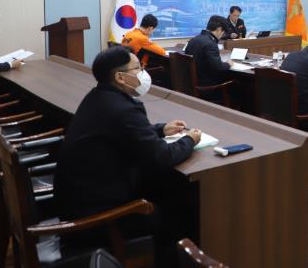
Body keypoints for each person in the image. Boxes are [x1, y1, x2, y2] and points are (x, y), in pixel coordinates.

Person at [54, 46, 201, 266]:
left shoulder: (99, 96)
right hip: (97, 217)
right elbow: (162, 156)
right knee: (179, 209)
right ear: (120, 77)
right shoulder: (124, 109)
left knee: (164, 187)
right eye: (138, 68)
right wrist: (190, 139)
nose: (143, 73)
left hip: (79, 201)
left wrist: (161, 130)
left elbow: (125, 133)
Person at [184, 16, 232, 102]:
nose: (222, 36)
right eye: (223, 32)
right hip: (207, 87)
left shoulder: (193, 40)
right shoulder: (210, 43)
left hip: (191, 83)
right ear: (219, 29)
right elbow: (219, 67)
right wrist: (228, 64)